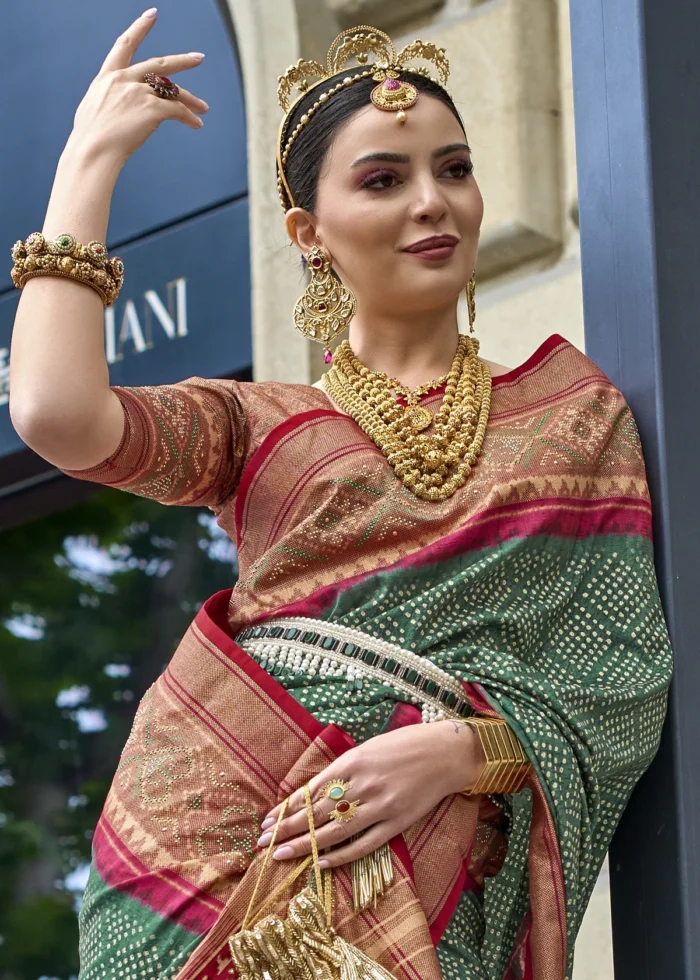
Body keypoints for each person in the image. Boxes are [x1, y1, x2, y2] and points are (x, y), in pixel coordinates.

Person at [8, 11, 673, 980]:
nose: (431, 202)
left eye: (453, 168)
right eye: (382, 179)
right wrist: (88, 158)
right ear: (306, 233)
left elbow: (616, 679)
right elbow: (56, 414)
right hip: (211, 840)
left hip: (430, 863)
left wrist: (465, 751)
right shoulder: (259, 424)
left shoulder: (575, 417)